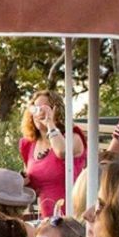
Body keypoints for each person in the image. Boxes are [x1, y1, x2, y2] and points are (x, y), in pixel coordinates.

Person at [20, 90, 88, 219]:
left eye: (45, 108)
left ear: (56, 111)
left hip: (72, 218)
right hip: (46, 220)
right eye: (35, 108)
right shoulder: (28, 145)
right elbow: (33, 188)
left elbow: (62, 152)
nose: (39, 113)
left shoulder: (73, 136)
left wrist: (50, 123)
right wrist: (23, 182)